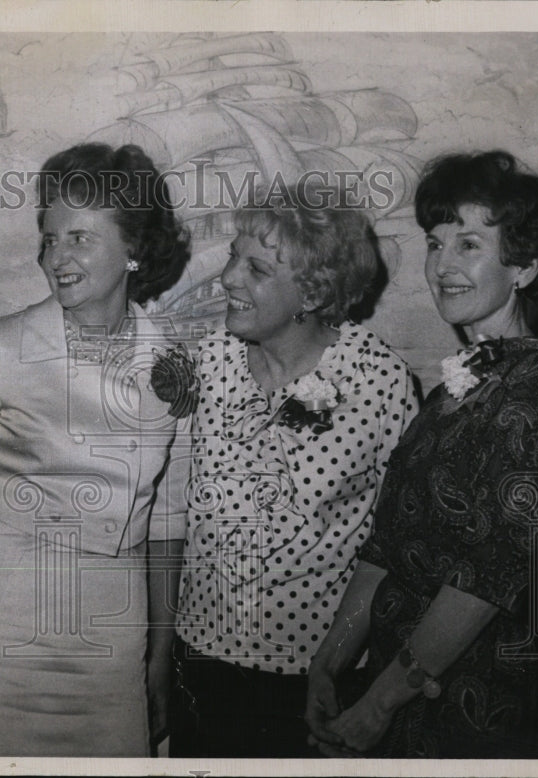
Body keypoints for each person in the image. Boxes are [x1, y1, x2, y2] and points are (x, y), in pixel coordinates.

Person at [0, 142, 192, 756]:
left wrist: (159, 654)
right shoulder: (0, 346)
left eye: (79, 239)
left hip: (111, 642)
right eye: (49, 238)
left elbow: (169, 522)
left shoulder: (174, 364)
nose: (55, 257)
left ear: (134, 248)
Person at [305, 150, 538, 758]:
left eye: (468, 244)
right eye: (435, 244)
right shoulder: (449, 392)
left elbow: (481, 585)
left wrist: (377, 704)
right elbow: (385, 545)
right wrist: (328, 662)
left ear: (526, 267)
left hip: (468, 712)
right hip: (388, 693)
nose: (441, 266)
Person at [168, 185, 418, 757]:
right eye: (234, 255)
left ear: (312, 291)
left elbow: (395, 544)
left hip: (316, 685)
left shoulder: (379, 381)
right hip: (200, 662)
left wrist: (343, 675)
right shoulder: (209, 360)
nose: (227, 277)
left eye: (254, 267)